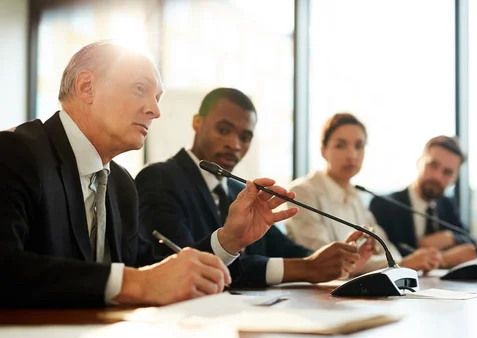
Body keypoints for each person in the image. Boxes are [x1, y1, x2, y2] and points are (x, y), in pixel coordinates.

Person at [0, 41, 297, 308]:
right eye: (140, 89)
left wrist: (229, 240)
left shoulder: (120, 183)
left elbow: (152, 269)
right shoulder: (13, 153)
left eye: (158, 98)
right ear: (86, 87)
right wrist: (136, 283)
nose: (155, 111)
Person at [136, 88, 373, 286]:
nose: (234, 144)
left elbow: (286, 250)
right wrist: (307, 268)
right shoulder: (159, 178)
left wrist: (339, 261)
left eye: (245, 137)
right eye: (224, 130)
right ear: (197, 123)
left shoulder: (237, 191)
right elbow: (177, 261)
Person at [286, 113, 442, 274]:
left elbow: (387, 249)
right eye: (340, 145)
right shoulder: (303, 192)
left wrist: (398, 262)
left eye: (359, 146)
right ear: (323, 151)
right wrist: (403, 264)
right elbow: (325, 260)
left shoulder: (356, 195)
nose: (352, 155)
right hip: (318, 294)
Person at [369, 136, 477, 268]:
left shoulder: (448, 206)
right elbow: (387, 256)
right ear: (419, 162)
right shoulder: (384, 204)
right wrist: (443, 259)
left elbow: (475, 246)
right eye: (433, 165)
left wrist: (450, 237)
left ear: (455, 178)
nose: (437, 176)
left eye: (447, 172)